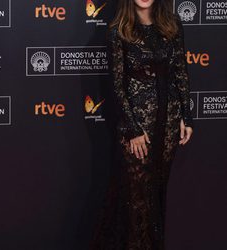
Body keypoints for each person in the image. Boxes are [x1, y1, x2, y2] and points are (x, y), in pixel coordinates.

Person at [89, 0, 194, 249]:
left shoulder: (172, 25)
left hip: (167, 124)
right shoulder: (118, 30)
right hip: (137, 127)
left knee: (156, 196)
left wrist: (186, 117)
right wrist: (132, 129)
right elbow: (117, 85)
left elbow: (180, 71)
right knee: (137, 200)